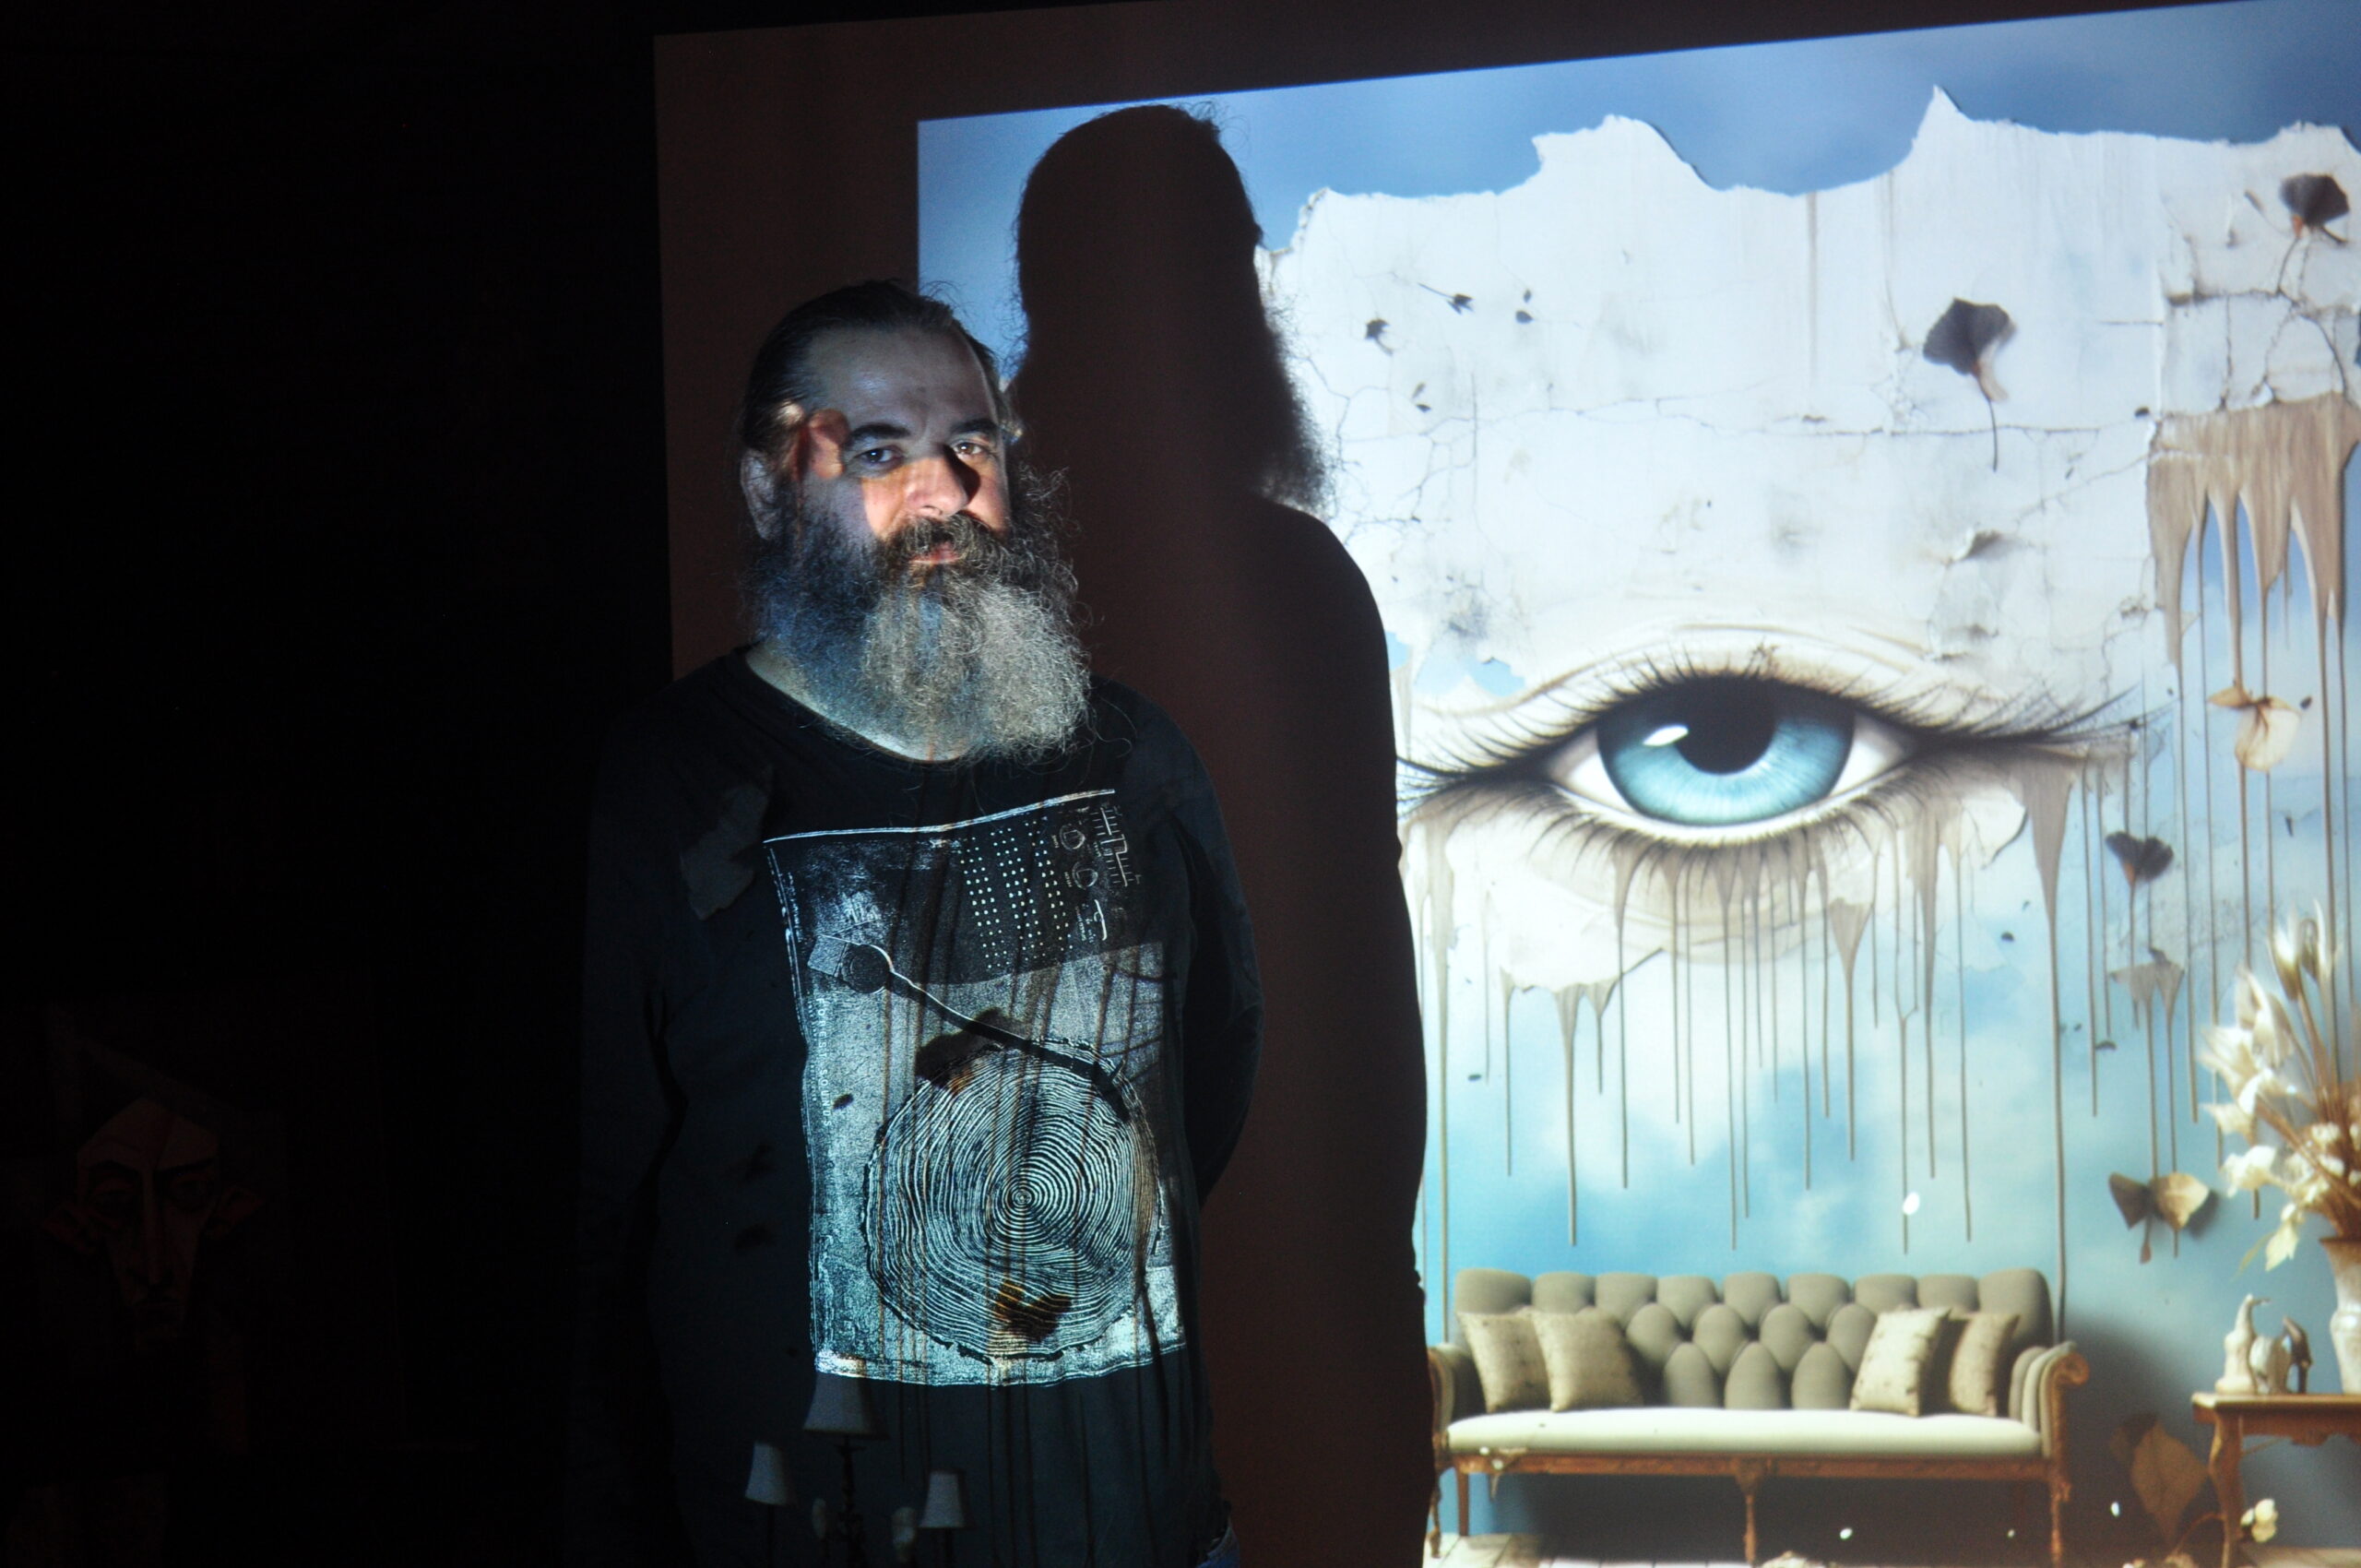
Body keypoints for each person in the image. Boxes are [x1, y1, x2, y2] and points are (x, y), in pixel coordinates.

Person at [568, 280, 1259, 1568]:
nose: (943, 493)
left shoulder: (1132, 757)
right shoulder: (666, 788)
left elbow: (1199, 1098)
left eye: (970, 444)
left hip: (1149, 1532)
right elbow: (598, 1208)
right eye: (878, 453)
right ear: (769, 490)